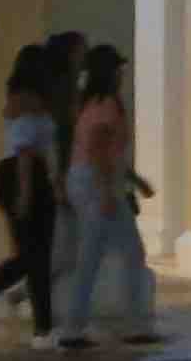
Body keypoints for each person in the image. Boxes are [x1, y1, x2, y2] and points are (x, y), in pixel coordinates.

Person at [0, 41, 64, 343]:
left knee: (32, 257)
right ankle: (42, 329)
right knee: (35, 258)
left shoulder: (23, 101)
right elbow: (26, 151)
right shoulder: (27, 103)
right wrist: (26, 192)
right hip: (23, 176)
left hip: (23, 176)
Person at [56, 40, 158, 340]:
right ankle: (129, 325)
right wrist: (106, 192)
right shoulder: (107, 104)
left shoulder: (90, 103)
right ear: (109, 72)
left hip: (91, 180)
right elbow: (99, 149)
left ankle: (79, 327)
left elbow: (107, 150)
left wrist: (135, 181)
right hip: (96, 183)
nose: (121, 74)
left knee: (99, 254)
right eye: (118, 69)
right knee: (123, 252)